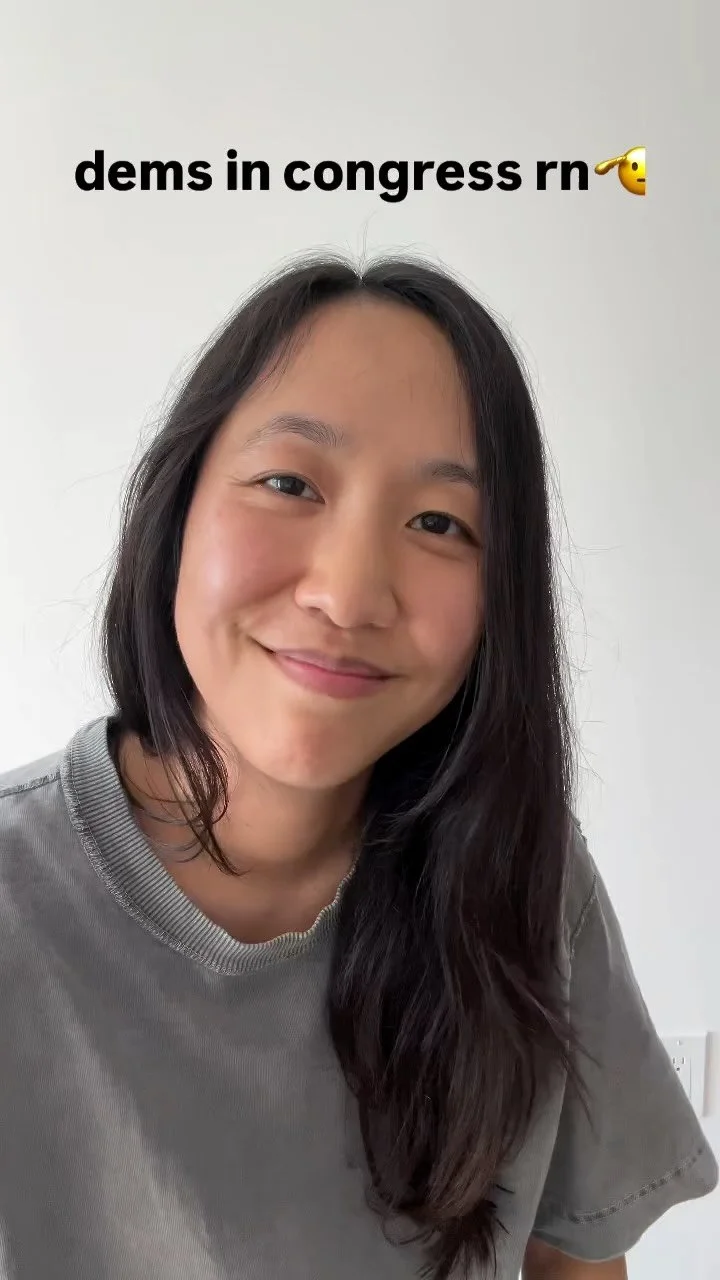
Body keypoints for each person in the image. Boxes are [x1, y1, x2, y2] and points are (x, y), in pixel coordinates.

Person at [0, 252, 716, 1280]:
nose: (348, 593)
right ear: (176, 507)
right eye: (289, 483)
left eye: (440, 523)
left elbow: (572, 1260)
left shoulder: (526, 878)